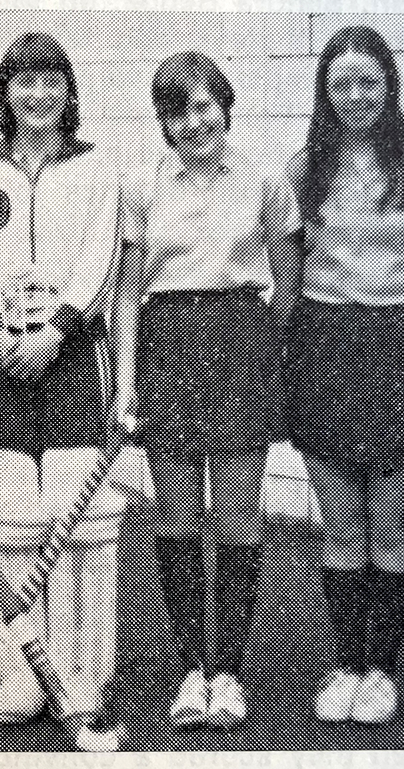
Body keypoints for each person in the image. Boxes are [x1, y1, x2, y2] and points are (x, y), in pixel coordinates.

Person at [0, 33, 124, 725]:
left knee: (77, 516)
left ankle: (79, 668)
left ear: (69, 91)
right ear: (5, 90)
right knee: (10, 518)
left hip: (71, 356)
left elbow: (102, 258)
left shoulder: (97, 166)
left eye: (52, 81)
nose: (38, 95)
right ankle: (19, 670)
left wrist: (55, 332)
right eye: (25, 81)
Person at [112, 51, 299, 730]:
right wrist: (127, 382)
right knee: (178, 517)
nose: (193, 122)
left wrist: (250, 345)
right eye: (176, 110)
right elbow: (128, 294)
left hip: (239, 341)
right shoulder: (142, 184)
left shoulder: (265, 181)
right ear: (162, 121)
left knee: (239, 517)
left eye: (203, 105)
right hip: (167, 343)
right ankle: (193, 667)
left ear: (225, 104)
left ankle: (232, 672)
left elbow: (287, 284)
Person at [280, 26, 404, 724]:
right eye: (341, 84)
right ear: (325, 93)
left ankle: (382, 669)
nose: (356, 96)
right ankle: (346, 662)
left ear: (390, 85)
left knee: (392, 525)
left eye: (368, 82)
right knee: (342, 527)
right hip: (326, 345)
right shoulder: (303, 169)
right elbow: (287, 275)